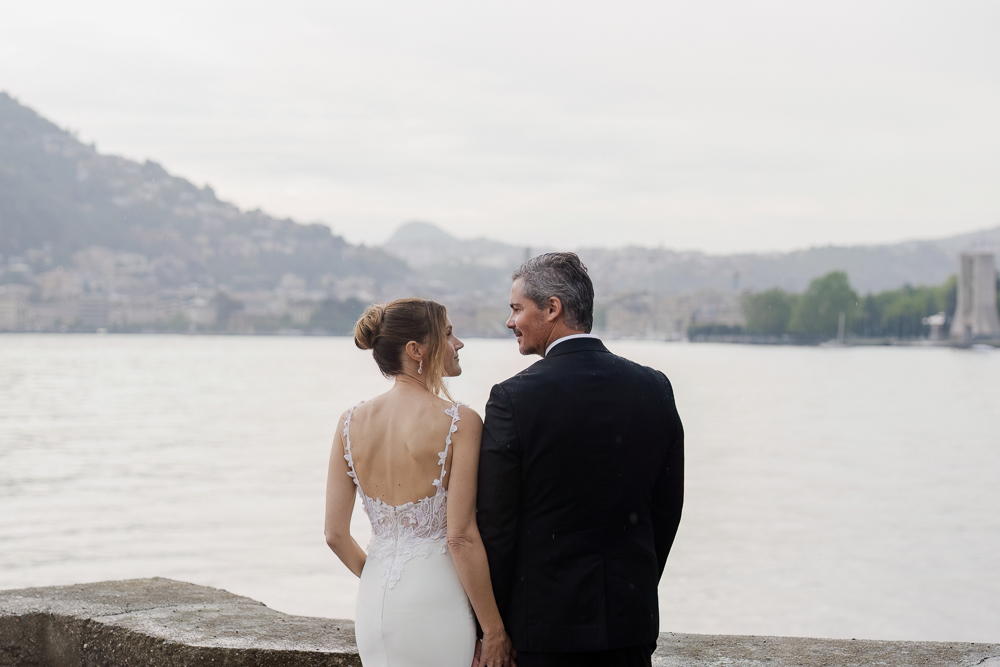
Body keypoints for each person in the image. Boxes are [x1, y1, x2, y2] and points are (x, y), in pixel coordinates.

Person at [477, 253, 684, 667]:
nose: (510, 321)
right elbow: (667, 509)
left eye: (517, 308)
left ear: (552, 308)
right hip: (631, 623)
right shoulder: (654, 386)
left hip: (544, 630)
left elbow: (495, 526)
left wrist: (493, 626)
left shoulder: (513, 398)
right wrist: (635, 585)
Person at [325, 298, 514, 667]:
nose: (458, 343)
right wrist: (494, 631)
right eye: (447, 333)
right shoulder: (460, 421)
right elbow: (460, 537)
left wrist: (382, 574)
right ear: (416, 351)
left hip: (374, 600)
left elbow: (334, 534)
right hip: (436, 601)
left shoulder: (350, 422)